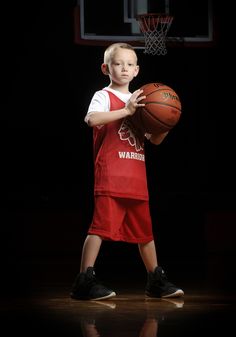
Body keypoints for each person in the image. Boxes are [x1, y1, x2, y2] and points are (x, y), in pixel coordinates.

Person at [70, 42, 184, 301]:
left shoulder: (143, 101)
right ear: (105, 68)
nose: (124, 68)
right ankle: (84, 280)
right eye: (118, 63)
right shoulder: (104, 95)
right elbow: (92, 120)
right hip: (111, 174)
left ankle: (155, 279)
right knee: (99, 227)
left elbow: (153, 140)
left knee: (145, 232)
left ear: (136, 71)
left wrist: (166, 122)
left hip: (135, 178)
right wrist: (126, 110)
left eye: (129, 64)